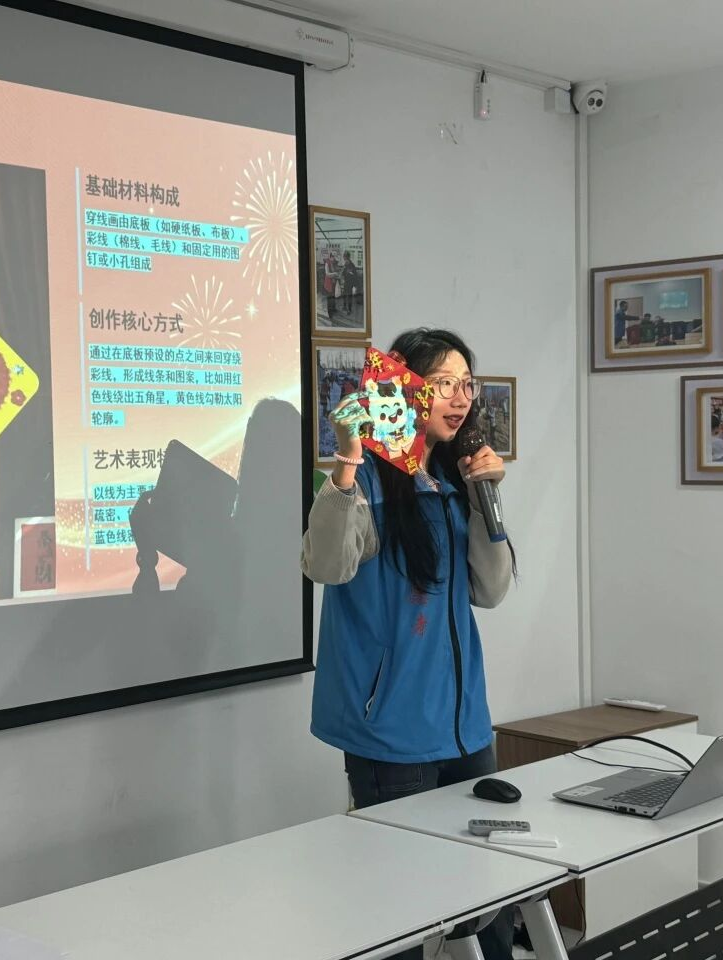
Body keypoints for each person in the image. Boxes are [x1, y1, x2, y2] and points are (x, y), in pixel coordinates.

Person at [301, 328, 514, 960]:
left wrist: (485, 495)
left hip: (466, 729)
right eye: (445, 383)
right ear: (405, 388)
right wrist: (346, 463)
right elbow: (326, 565)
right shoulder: (366, 483)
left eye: (467, 384)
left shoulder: (451, 481)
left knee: (491, 900)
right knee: (399, 914)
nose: (462, 398)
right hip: (391, 734)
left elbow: (491, 590)